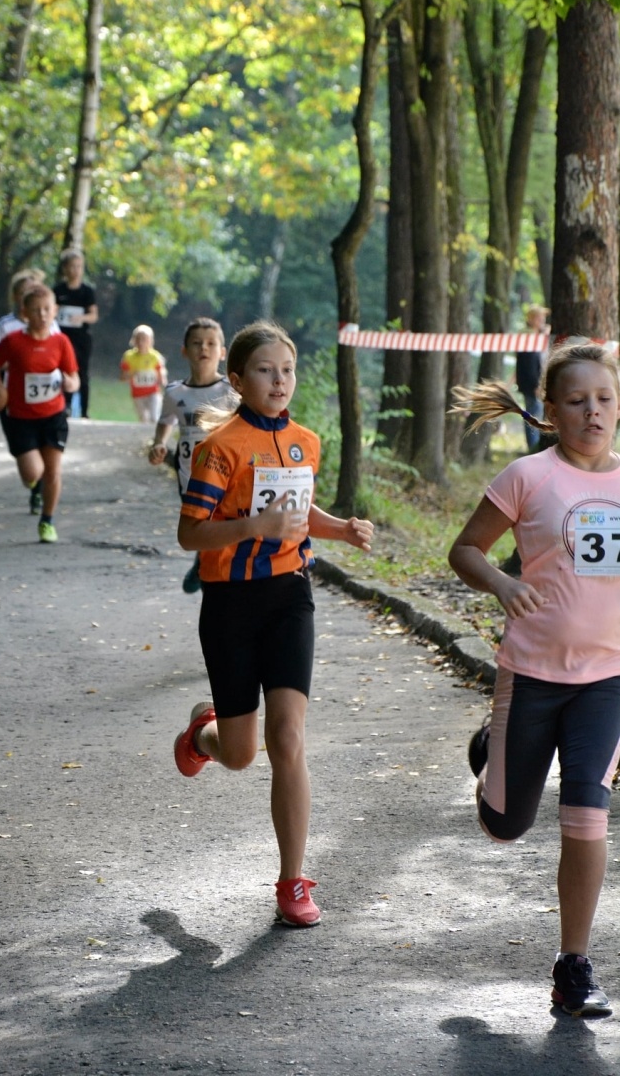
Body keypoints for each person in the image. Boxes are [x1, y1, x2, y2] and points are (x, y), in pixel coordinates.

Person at [173, 321, 375, 927]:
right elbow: (190, 532)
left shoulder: (305, 441)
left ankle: (292, 882)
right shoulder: (220, 448)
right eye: (265, 370)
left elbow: (296, 505)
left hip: (290, 597)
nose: (279, 380)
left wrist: (339, 528)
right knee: (239, 755)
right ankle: (201, 736)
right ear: (236, 381)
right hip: (231, 605)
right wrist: (249, 530)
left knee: (286, 739)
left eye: (286, 369)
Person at [448, 340, 620, 1018]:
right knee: (505, 825)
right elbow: (464, 549)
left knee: (586, 813)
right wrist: (499, 583)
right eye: (576, 401)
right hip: (531, 674)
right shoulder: (527, 476)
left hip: (606, 680)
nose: (593, 412)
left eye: (604, 399)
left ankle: (572, 966)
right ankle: (493, 750)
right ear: (548, 411)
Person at [148, 317, 239, 594]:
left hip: (224, 472)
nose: (204, 348)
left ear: (222, 352)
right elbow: (166, 421)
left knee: (221, 523)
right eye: (197, 343)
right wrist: (159, 444)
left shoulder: (231, 391)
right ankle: (204, 562)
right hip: (188, 471)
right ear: (184, 351)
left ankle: (213, 572)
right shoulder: (176, 392)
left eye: (212, 343)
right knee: (199, 525)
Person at [0, 283, 79, 544]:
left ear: (55, 310)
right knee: (33, 473)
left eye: (47, 309)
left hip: (53, 416)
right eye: (36, 310)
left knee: (53, 472)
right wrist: (1, 392)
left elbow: (73, 375)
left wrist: (72, 383)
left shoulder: (61, 341)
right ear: (25, 312)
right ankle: (33, 486)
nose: (42, 315)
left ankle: (47, 521)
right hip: (22, 418)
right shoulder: (13, 341)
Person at [0, 268, 60, 515]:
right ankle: (34, 480)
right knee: (26, 456)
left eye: (34, 289)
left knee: (47, 455)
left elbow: (59, 356)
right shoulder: (5, 326)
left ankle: (41, 490)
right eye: (24, 292)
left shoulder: (51, 324)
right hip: (13, 391)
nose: (30, 295)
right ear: (18, 298)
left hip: (46, 396)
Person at [53, 249, 98, 419]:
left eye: (79, 266)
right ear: (65, 268)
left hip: (81, 339)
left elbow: (94, 315)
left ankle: (84, 411)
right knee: (62, 370)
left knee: (82, 372)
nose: (76, 270)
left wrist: (81, 317)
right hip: (61, 337)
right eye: (72, 266)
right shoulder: (58, 290)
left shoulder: (87, 292)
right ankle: (64, 407)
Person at [515, 304, 550, 452]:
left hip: (533, 383)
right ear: (531, 319)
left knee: (536, 414)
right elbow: (529, 364)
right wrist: (536, 385)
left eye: (543, 317)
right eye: (539, 317)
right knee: (534, 416)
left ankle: (534, 448)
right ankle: (534, 449)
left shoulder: (536, 336)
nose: (542, 320)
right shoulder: (528, 337)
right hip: (532, 384)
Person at [120, 325, 168, 423]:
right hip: (138, 395)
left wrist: (165, 385)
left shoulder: (155, 357)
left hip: (153, 393)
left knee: (154, 417)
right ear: (133, 341)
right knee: (144, 420)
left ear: (151, 341)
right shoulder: (128, 357)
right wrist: (131, 374)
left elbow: (161, 375)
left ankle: (156, 437)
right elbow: (122, 377)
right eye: (138, 339)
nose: (141, 343)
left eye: (144, 339)